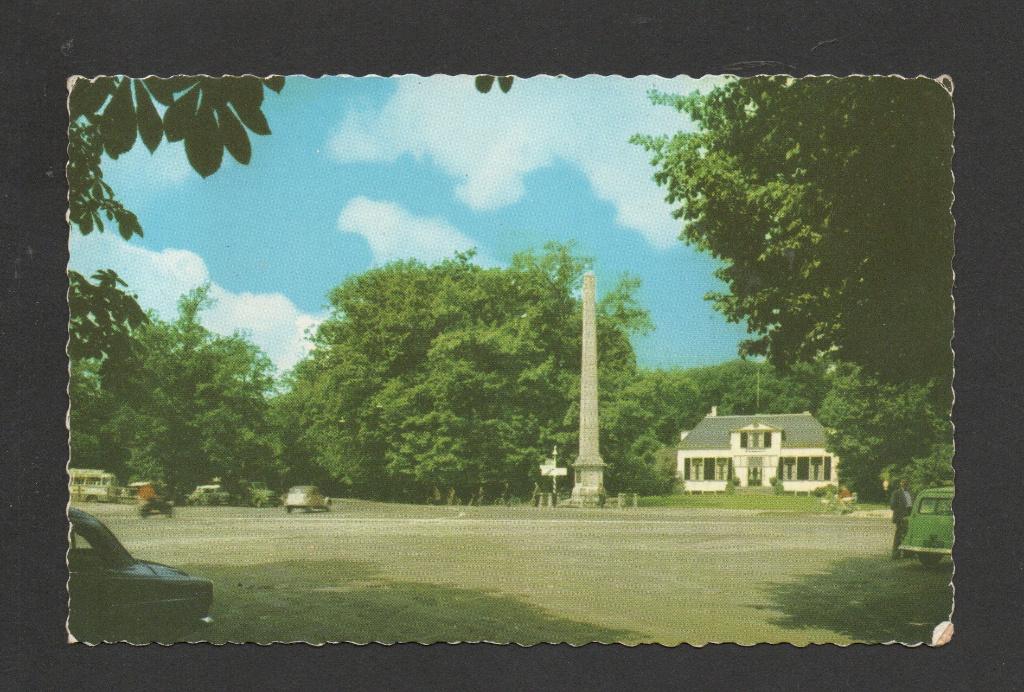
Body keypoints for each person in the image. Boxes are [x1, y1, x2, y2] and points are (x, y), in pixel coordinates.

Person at [889, 479, 914, 559]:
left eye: (906, 483)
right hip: (900, 516)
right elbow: (892, 505)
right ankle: (895, 554)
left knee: (908, 535)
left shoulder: (910, 493)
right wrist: (900, 512)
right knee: (899, 535)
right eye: (903, 482)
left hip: (909, 515)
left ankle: (907, 553)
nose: (905, 484)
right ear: (900, 484)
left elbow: (912, 504)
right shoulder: (896, 493)